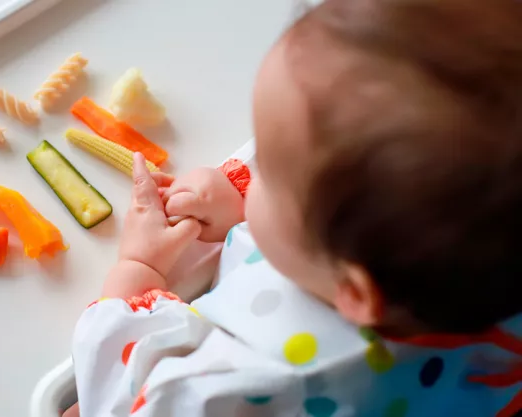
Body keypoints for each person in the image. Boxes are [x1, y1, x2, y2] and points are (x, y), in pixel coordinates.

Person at [63, 0, 522, 415]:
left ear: (356, 292)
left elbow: (115, 397)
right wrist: (236, 188)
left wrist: (138, 268)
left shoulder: (251, 380)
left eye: (270, 179)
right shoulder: (479, 260)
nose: (253, 175)